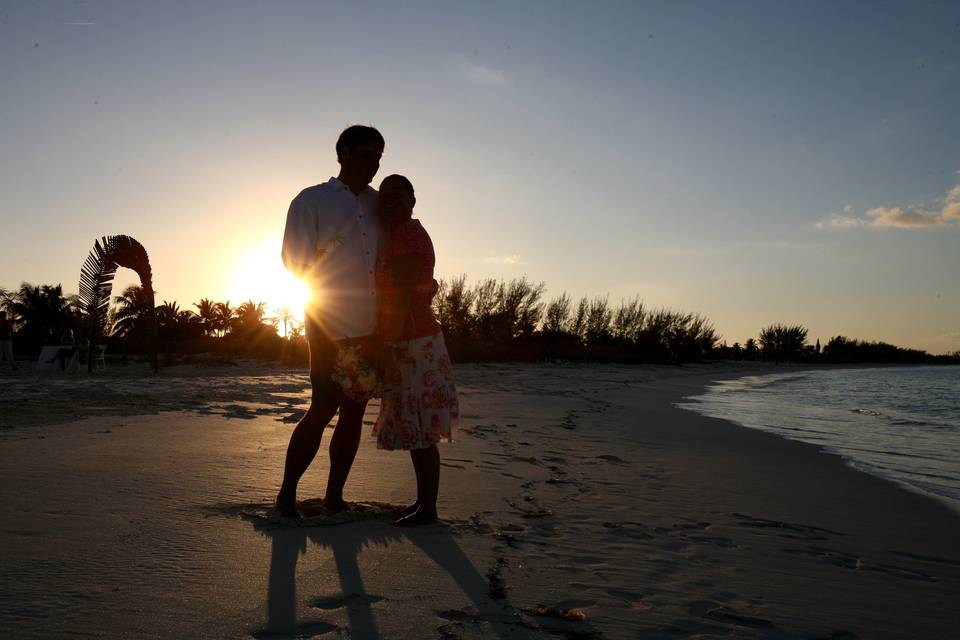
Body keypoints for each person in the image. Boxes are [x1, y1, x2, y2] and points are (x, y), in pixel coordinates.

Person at [274, 125, 385, 519]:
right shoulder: (312, 200)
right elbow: (295, 261)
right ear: (343, 153)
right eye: (365, 154)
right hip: (326, 323)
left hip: (371, 329)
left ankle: (334, 497)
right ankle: (286, 496)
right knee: (322, 407)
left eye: (378, 156)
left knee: (355, 411)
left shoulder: (380, 205)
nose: (372, 163)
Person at [372, 174, 459, 525]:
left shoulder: (408, 234)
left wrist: (387, 343)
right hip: (414, 340)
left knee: (421, 426)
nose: (390, 199)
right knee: (417, 427)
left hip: (413, 342)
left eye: (398, 193)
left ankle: (428, 508)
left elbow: (404, 295)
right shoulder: (398, 236)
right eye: (385, 194)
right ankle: (424, 503)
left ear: (412, 200)